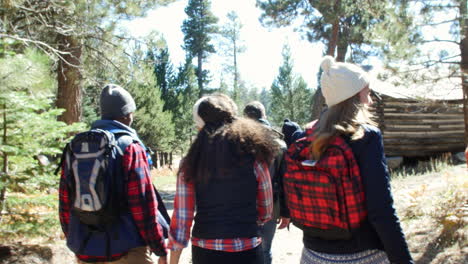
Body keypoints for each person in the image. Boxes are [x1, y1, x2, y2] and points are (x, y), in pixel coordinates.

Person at [284, 56, 413, 264]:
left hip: (312, 255)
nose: (370, 100)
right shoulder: (365, 137)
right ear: (355, 95)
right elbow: (381, 210)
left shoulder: (304, 137)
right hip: (362, 255)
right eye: (367, 92)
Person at [59, 84, 168, 264]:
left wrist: (77, 241)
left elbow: (64, 201)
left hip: (86, 252)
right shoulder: (130, 147)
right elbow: (143, 205)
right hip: (127, 252)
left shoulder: (76, 147)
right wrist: (159, 248)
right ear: (126, 115)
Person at [168, 94, 279, 264]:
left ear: (199, 127)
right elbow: (266, 209)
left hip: (206, 251)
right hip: (247, 249)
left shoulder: (191, 162)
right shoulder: (254, 157)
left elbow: (183, 218)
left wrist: (173, 260)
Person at [243, 101, 290, 264]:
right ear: (264, 115)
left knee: (244, 250)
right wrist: (286, 212)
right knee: (265, 249)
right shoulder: (279, 143)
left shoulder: (238, 141)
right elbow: (285, 180)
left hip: (243, 204)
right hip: (271, 204)